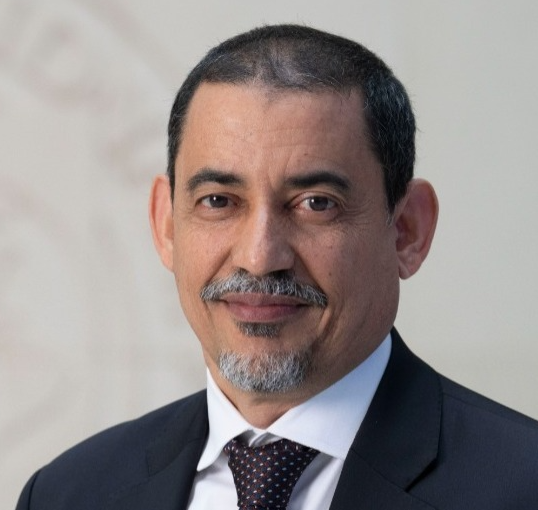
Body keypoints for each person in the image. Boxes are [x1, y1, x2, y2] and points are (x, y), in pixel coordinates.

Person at [16, 24, 538, 510]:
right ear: (167, 225)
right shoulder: (67, 495)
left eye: (316, 203)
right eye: (219, 201)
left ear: (407, 231)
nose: (260, 256)